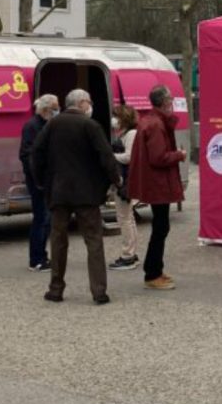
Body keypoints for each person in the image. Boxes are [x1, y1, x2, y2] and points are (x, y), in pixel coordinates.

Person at [32, 89, 120, 305]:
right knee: (94, 241)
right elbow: (106, 156)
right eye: (89, 102)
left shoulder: (52, 124)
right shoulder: (91, 126)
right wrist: (115, 180)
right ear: (81, 103)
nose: (91, 105)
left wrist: (42, 181)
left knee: (58, 241)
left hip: (59, 193)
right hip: (87, 194)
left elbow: (36, 153)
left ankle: (55, 289)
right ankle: (99, 291)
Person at [129, 84, 185, 290]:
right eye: (170, 99)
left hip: (155, 183)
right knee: (161, 227)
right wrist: (179, 155)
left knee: (161, 226)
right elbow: (158, 157)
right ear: (164, 102)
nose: (173, 103)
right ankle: (152, 273)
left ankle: (155, 269)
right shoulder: (156, 125)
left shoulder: (151, 121)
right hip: (157, 183)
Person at [19, 94, 59, 271]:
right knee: (41, 219)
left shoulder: (46, 124)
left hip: (46, 180)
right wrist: (39, 180)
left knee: (46, 219)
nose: (58, 111)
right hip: (39, 181)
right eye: (55, 108)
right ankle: (36, 259)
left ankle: (42, 256)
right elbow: (29, 156)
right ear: (45, 109)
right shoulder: (33, 126)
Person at [108, 105, 140, 271]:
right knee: (128, 217)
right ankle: (131, 253)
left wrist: (110, 156)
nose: (113, 120)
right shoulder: (124, 133)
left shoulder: (132, 134)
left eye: (116, 116)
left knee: (124, 218)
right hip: (124, 180)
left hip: (126, 181)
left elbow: (128, 157)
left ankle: (128, 255)